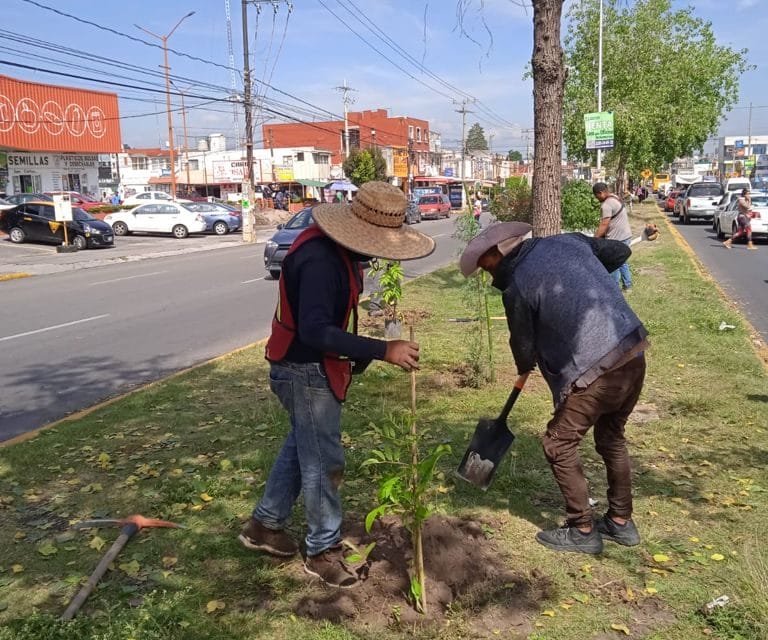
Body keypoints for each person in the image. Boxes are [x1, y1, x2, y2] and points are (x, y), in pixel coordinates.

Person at [239, 181, 435, 587]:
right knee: (323, 462)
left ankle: (264, 526)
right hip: (304, 369)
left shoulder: (336, 252)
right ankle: (322, 550)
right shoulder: (319, 261)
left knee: (301, 446)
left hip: (311, 366)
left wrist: (360, 351)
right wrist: (384, 350)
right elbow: (315, 332)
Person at [459, 222, 649, 555]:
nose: (490, 278)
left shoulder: (517, 284)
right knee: (610, 436)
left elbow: (523, 345)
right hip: (633, 351)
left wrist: (523, 365)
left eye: (487, 268)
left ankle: (583, 529)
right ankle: (621, 522)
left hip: (595, 368)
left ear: (499, 253)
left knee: (558, 445)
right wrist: (582, 274)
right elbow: (620, 251)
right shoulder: (570, 241)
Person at [593, 182, 633, 291]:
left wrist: (594, 240)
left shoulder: (606, 205)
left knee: (613, 262)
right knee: (622, 261)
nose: (597, 199)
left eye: (596, 196)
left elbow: (604, 225)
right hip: (626, 235)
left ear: (600, 193)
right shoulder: (615, 197)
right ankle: (628, 286)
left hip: (616, 238)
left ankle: (613, 288)